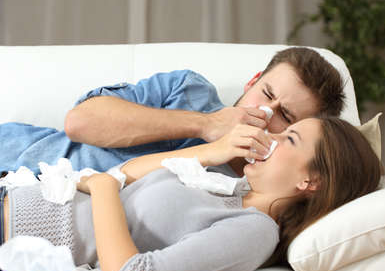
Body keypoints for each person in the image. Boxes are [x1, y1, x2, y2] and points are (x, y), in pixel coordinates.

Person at [1, 116, 383, 271]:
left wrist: (102, 191)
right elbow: (127, 173)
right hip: (12, 192)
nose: (273, 137)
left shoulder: (255, 232)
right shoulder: (229, 186)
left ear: (310, 180)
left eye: (291, 139)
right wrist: (212, 151)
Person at [0, 47, 345, 175]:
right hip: (17, 155)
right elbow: (80, 122)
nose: (266, 113)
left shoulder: (256, 187)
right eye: (266, 93)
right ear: (253, 80)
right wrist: (206, 124)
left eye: (286, 116)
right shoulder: (188, 88)